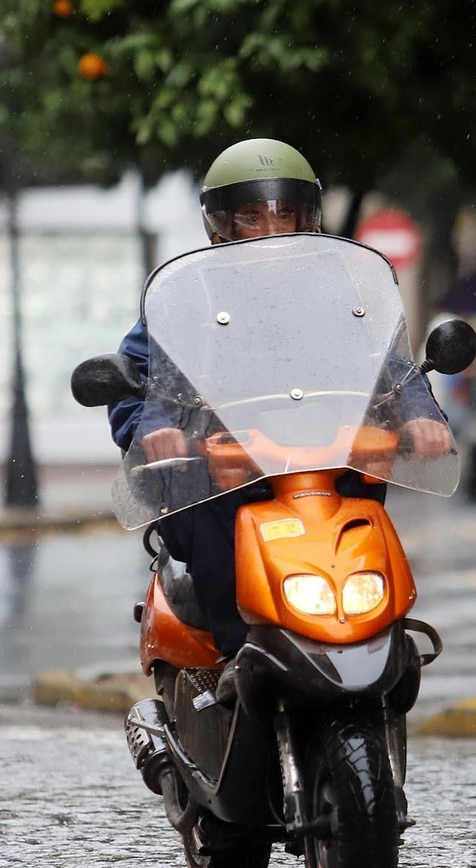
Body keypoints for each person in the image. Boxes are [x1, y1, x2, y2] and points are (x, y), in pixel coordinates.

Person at [105, 138, 450, 661]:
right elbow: (146, 373)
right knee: (218, 540)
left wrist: (421, 415)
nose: (271, 231)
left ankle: (380, 650)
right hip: (223, 475)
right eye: (251, 217)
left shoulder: (339, 294)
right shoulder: (189, 297)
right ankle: (234, 665)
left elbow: (388, 365)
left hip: (326, 466)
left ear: (308, 219)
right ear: (220, 225)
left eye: (285, 215)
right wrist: (152, 430)